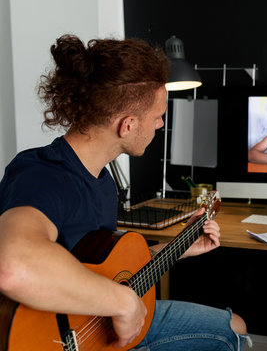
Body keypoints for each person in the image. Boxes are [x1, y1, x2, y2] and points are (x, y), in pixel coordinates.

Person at [0, 34, 250, 350]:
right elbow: (13, 264)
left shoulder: (102, 180)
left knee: (235, 328)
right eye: (158, 115)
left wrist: (176, 249)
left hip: (100, 323)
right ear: (127, 125)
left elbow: (103, 267)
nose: (160, 124)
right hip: (57, 337)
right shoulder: (43, 175)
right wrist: (123, 302)